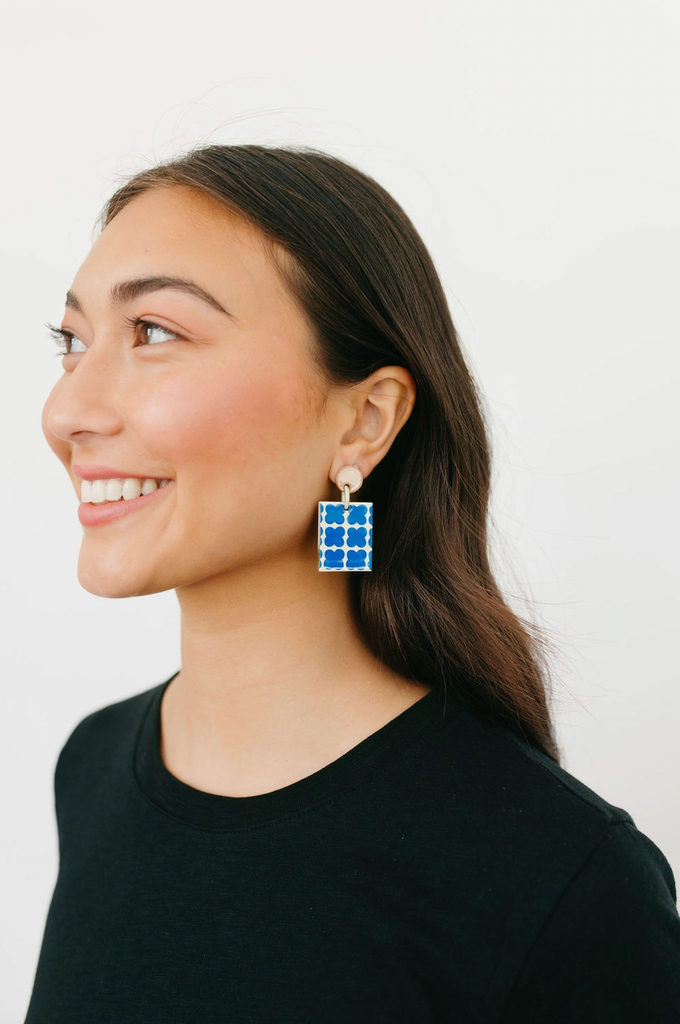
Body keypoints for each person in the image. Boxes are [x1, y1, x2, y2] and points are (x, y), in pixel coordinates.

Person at [26, 145, 680, 1023]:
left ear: (365, 421)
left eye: (154, 332)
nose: (66, 412)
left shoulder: (561, 877)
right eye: (72, 342)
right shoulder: (94, 767)